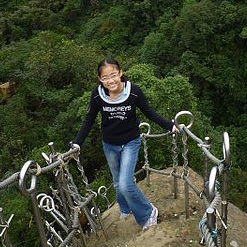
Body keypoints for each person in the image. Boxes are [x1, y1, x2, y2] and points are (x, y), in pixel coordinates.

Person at [73, 57, 177, 230]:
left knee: (125, 183)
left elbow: (149, 112)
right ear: (100, 79)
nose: (110, 80)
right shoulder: (98, 94)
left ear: (121, 73)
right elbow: (89, 119)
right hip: (109, 144)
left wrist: (170, 125)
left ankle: (147, 213)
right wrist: (77, 143)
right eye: (105, 77)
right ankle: (125, 208)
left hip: (130, 141)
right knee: (116, 181)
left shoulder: (133, 92)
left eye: (113, 75)